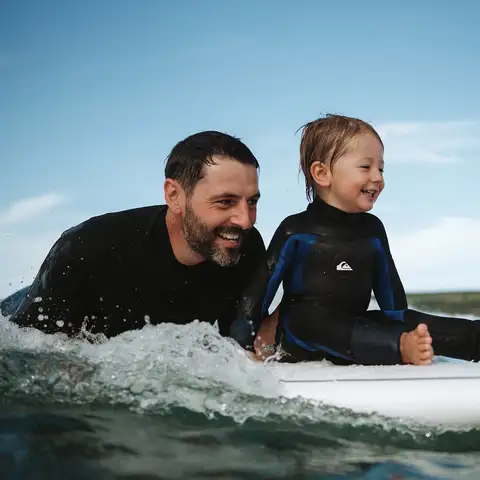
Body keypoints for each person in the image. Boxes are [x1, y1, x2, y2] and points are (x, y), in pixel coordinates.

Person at [231, 114, 480, 366]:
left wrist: (405, 326)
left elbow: (391, 295)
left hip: (359, 329)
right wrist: (243, 345)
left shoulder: (373, 230)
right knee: (307, 317)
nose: (378, 178)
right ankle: (399, 348)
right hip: (302, 338)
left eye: (381, 169)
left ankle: (474, 340)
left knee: (415, 320)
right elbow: (260, 291)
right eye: (366, 167)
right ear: (322, 173)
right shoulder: (295, 230)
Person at [4, 131, 266, 340]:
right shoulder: (88, 249)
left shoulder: (245, 248)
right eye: (225, 202)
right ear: (174, 196)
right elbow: (26, 354)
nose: (245, 220)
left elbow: (239, 348)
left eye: (252, 202)